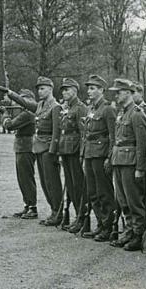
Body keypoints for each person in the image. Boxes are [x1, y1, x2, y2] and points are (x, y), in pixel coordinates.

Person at [0, 76, 63, 226]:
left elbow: (57, 132)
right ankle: (54, 211)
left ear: (50, 89)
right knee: (45, 183)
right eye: (38, 88)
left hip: (48, 148)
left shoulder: (55, 106)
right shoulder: (40, 105)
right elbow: (24, 103)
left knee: (53, 183)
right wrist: (10, 93)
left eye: (43, 88)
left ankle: (58, 212)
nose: (40, 91)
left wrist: (53, 151)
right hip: (39, 147)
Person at [108, 79, 146, 251]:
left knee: (134, 201)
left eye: (118, 92)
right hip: (120, 160)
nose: (116, 95)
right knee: (123, 200)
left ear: (128, 92)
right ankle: (129, 231)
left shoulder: (137, 114)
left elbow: (142, 143)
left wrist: (141, 168)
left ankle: (138, 235)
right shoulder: (122, 113)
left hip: (131, 163)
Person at [81, 75, 116, 242]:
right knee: (92, 192)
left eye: (93, 88)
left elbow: (113, 135)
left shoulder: (108, 109)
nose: (89, 91)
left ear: (102, 90)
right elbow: (87, 134)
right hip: (89, 153)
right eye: (88, 88)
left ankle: (108, 226)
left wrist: (110, 157)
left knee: (104, 192)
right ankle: (100, 224)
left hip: (101, 154)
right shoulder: (91, 108)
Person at [1, 89, 37, 219]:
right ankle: (27, 205)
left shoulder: (28, 113)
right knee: (22, 178)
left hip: (26, 147)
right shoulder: (25, 112)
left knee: (26, 178)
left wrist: (5, 114)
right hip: (22, 147)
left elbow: (10, 125)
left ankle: (32, 207)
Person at [58, 78, 87, 233]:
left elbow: (83, 133)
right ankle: (77, 215)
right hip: (66, 150)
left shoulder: (80, 108)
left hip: (75, 151)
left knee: (78, 186)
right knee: (70, 185)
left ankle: (82, 217)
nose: (64, 92)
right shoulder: (66, 107)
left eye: (67, 89)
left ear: (75, 91)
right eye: (63, 90)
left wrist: (82, 154)